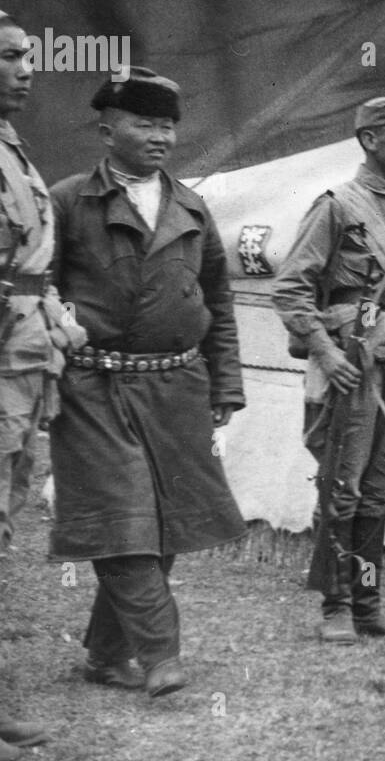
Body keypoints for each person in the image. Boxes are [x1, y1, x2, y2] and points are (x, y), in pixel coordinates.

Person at [48, 67, 246, 696]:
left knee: (162, 528)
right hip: (94, 388)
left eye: (167, 126)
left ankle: (106, 656)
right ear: (108, 131)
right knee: (122, 519)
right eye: (144, 123)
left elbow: (217, 298)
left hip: (176, 388)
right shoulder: (68, 200)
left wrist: (226, 386)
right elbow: (37, 286)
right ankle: (162, 655)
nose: (160, 136)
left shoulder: (191, 206)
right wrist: (58, 330)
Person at [272, 97, 385, 644]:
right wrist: (325, 352)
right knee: (341, 486)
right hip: (355, 360)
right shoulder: (335, 206)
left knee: (379, 490)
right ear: (369, 140)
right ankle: (335, 605)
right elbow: (291, 287)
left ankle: (368, 604)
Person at [0, 12, 86, 761]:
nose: (27, 70)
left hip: (25, 365)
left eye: (29, 57)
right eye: (10, 59)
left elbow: (27, 264)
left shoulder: (14, 153)